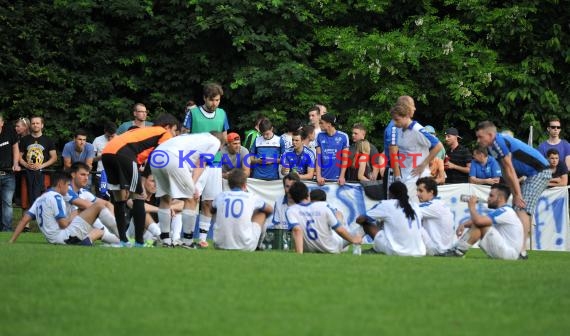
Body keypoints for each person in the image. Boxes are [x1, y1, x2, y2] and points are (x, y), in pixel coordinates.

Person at [475, 120, 551, 259]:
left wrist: (517, 194)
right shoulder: (493, 146)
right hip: (532, 173)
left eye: (480, 137)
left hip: (540, 172)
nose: (478, 140)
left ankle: (521, 251)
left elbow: (509, 168)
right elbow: (505, 171)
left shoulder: (498, 142)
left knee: (522, 207)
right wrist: (513, 191)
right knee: (519, 206)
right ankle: (518, 249)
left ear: (490, 134)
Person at [101, 113, 179, 247]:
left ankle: (123, 241)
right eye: (174, 131)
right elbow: (159, 155)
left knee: (119, 198)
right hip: (123, 154)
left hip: (107, 154)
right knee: (138, 197)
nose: (174, 135)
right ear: (167, 127)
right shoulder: (163, 133)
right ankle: (139, 242)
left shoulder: (144, 131)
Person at [150, 132, 223, 248]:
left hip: (156, 155)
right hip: (173, 157)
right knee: (191, 199)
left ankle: (165, 240)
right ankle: (188, 242)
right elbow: (201, 163)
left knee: (165, 197)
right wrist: (192, 186)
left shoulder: (195, 138)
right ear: (221, 146)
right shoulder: (215, 142)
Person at [9, 172, 119, 246]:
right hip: (63, 237)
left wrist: (11, 241)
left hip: (52, 239)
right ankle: (121, 236)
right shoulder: (56, 197)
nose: (68, 188)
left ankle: (122, 241)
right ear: (61, 184)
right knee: (98, 206)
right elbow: (63, 224)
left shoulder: (40, 199)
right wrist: (75, 214)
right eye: (67, 185)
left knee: (98, 232)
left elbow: (24, 220)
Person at [182, 82, 230, 247]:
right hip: (196, 163)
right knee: (191, 198)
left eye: (217, 100)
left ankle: (202, 238)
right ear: (204, 98)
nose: (214, 104)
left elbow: (224, 136)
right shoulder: (193, 113)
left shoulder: (222, 113)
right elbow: (184, 137)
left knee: (209, 202)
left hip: (215, 164)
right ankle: (187, 238)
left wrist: (217, 150)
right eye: (211, 100)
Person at [443, 184, 524, 260]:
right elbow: (482, 219)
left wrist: (471, 206)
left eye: (491, 196)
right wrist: (463, 224)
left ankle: (458, 252)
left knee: (480, 225)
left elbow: (478, 221)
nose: (488, 198)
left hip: (509, 254)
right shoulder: (504, 211)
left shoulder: (504, 211)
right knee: (481, 223)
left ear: (500, 198)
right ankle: (457, 250)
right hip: (510, 253)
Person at [286, 181, 362, 254]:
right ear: (308, 194)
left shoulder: (291, 210)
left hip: (309, 249)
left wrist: (299, 254)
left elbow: (297, 230)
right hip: (332, 248)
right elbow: (339, 230)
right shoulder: (324, 206)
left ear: (291, 197)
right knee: (362, 226)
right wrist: (353, 240)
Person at [355, 181, 425, 256]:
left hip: (397, 251)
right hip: (419, 251)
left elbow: (360, 219)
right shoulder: (415, 206)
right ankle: (376, 248)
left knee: (366, 224)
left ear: (390, 193)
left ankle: (344, 243)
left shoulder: (387, 204)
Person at [390, 104, 443, 202]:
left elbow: (438, 145)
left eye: (397, 120)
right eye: (393, 120)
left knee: (411, 211)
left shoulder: (417, 129)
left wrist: (423, 164)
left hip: (417, 178)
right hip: (406, 177)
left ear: (406, 116)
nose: (394, 123)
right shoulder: (399, 129)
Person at [212, 169, 273, 251]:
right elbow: (270, 209)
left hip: (219, 244)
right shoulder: (251, 197)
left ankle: (224, 237)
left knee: (216, 210)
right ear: (245, 184)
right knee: (262, 213)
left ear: (229, 184)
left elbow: (211, 210)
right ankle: (258, 245)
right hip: (245, 246)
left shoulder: (220, 196)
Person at [19, 116, 58, 210]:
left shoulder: (48, 140)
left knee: (44, 201)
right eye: (33, 123)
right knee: (26, 201)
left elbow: (54, 157)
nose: (35, 125)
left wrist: (42, 165)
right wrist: (26, 165)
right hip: (27, 173)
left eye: (37, 123)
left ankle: (43, 223)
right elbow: (19, 157)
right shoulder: (24, 140)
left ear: (42, 125)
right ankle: (26, 225)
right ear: (30, 125)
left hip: (43, 174)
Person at [415, 177, 455, 255]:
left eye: (421, 191)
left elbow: (407, 211)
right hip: (444, 248)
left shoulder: (433, 206)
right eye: (417, 190)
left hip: (436, 250)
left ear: (431, 192)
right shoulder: (439, 203)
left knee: (412, 222)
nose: (417, 194)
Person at [315, 114, 350, 186]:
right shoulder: (319, 136)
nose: (319, 124)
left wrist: (342, 176)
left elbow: (345, 158)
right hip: (323, 179)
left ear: (329, 124)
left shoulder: (343, 136)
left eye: (321, 123)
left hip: (337, 179)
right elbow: (318, 157)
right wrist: (318, 176)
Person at [0, 114, 20, 231]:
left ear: (2, 123)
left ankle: (7, 229)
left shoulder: (9, 132)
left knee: (7, 203)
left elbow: (15, 148)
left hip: (8, 175)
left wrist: (16, 163)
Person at [92, 122, 117, 198]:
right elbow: (91, 159)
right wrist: (101, 157)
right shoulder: (97, 140)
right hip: (100, 174)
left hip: (116, 175)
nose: (109, 139)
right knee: (100, 200)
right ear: (104, 131)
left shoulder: (120, 140)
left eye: (112, 136)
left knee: (116, 201)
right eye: (108, 136)